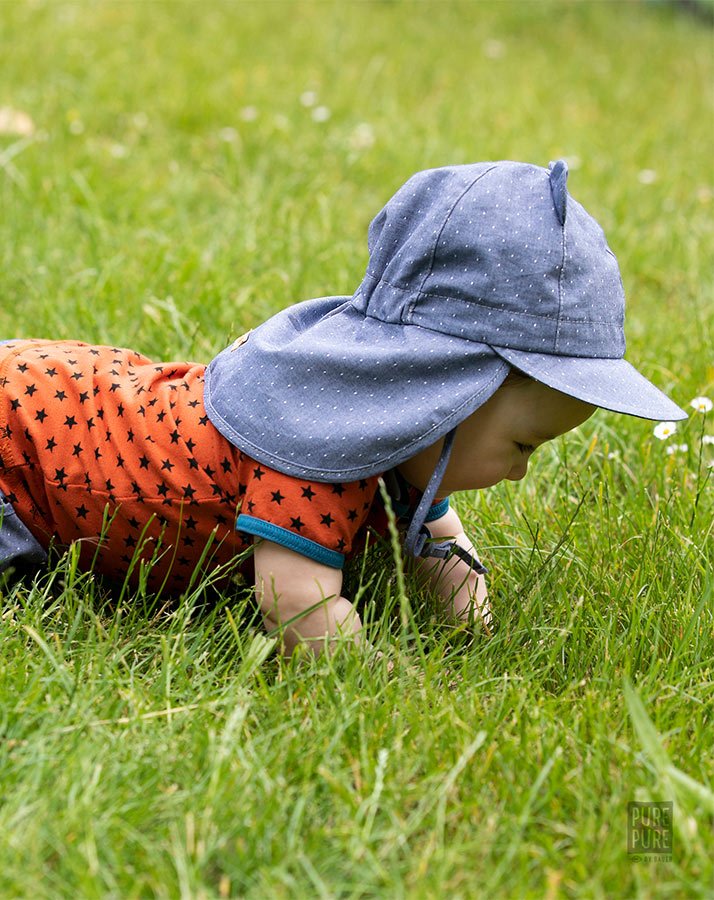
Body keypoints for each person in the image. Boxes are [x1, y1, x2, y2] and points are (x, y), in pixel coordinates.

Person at [0, 160, 686, 656]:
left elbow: (440, 543)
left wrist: (473, 620)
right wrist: (383, 680)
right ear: (446, 393)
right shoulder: (314, 449)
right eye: (523, 447)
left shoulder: (398, 443)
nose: (521, 473)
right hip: (20, 450)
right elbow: (298, 606)